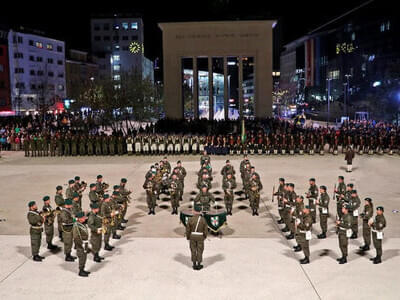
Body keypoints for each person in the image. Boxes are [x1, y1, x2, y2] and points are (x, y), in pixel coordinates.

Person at [185, 205, 208, 270]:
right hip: (200, 236)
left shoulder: (190, 219)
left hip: (192, 236)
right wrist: (204, 236)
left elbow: (188, 230)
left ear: (194, 211)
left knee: (193, 250)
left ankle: (194, 264)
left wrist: (188, 237)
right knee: (200, 250)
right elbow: (205, 230)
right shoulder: (203, 219)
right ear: (200, 211)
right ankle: (199, 264)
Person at [72, 211, 91, 277]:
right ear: (79, 218)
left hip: (84, 243)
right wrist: (81, 244)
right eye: (83, 218)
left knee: (84, 257)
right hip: (81, 244)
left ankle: (83, 269)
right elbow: (76, 237)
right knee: (82, 257)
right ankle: (81, 270)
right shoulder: (76, 226)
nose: (84, 219)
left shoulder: (82, 223)